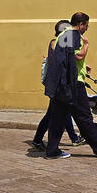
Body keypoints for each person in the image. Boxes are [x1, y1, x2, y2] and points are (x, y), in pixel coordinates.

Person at [42, 12, 97, 159]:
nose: (86, 29)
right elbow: (77, 56)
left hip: (59, 85)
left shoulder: (61, 36)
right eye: (86, 26)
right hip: (73, 84)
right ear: (81, 24)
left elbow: (66, 57)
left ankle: (52, 151)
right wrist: (86, 45)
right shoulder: (74, 35)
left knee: (57, 119)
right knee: (84, 117)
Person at [31, 21, 82, 150]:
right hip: (59, 83)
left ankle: (39, 139)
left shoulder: (56, 42)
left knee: (55, 113)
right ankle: (73, 138)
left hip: (57, 83)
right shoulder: (58, 42)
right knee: (60, 112)